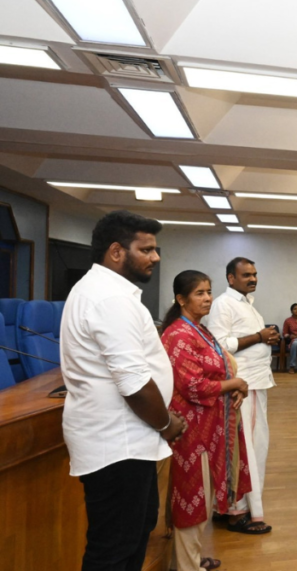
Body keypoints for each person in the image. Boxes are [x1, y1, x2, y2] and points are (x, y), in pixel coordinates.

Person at [61, 210, 186, 571]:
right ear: (116, 252)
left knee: (134, 534)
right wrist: (165, 424)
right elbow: (133, 384)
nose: (156, 257)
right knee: (113, 549)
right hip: (118, 445)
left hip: (128, 441)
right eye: (146, 249)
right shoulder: (109, 299)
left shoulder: (106, 291)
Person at [160, 270, 253, 570]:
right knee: (192, 499)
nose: (208, 298)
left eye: (209, 291)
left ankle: (188, 560)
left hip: (210, 423)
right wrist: (234, 385)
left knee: (202, 496)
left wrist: (234, 388)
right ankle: (186, 566)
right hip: (190, 429)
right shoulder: (178, 334)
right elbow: (193, 386)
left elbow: (220, 370)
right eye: (200, 293)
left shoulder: (199, 329)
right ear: (181, 298)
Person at [204, 257, 278, 534]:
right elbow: (220, 346)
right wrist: (259, 337)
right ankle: (238, 512)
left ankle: (226, 507)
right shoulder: (224, 304)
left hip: (255, 383)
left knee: (251, 447)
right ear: (230, 278)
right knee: (246, 449)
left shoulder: (246, 304)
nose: (253, 279)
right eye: (246, 275)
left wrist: (265, 337)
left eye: (255, 274)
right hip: (242, 386)